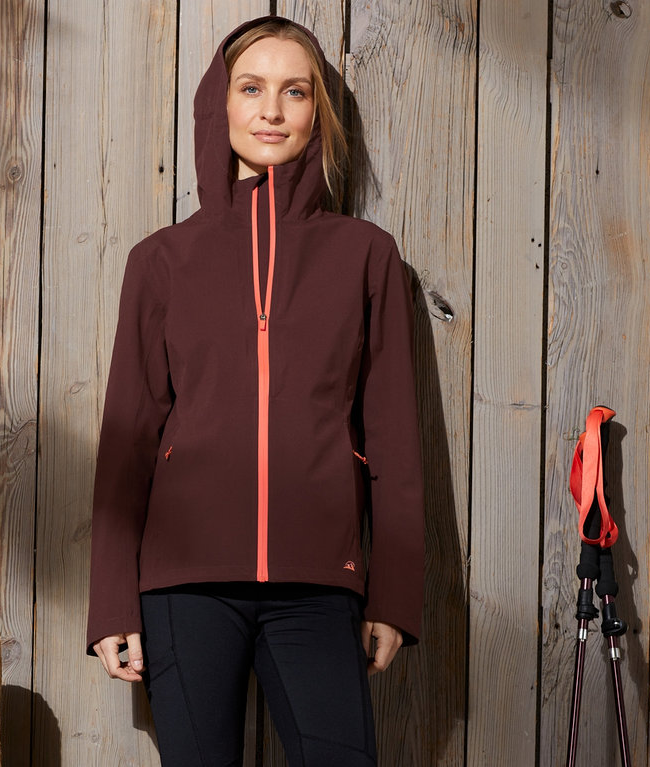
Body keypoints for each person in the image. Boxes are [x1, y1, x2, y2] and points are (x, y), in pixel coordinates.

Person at [87, 15, 424, 766]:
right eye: (251, 88)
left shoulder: (366, 256)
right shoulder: (161, 261)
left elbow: (395, 441)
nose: (272, 110)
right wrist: (111, 600)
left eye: (294, 92)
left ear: (317, 112)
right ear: (221, 105)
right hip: (185, 585)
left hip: (318, 582)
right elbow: (127, 443)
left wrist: (395, 596)